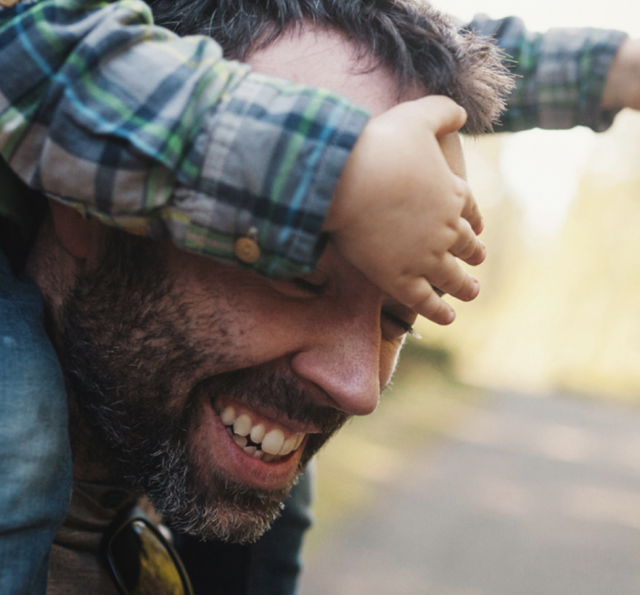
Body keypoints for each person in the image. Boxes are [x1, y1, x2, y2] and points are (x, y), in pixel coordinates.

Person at [0, 1, 639, 594]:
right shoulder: (79, 71)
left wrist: (615, 70)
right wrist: (343, 171)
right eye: (296, 268)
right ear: (83, 195)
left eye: (396, 317)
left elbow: (466, 47)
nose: (358, 389)